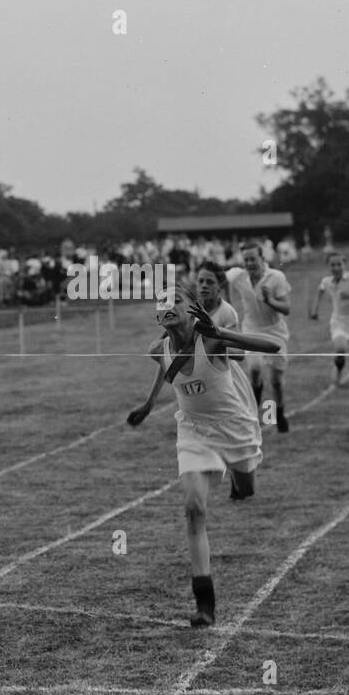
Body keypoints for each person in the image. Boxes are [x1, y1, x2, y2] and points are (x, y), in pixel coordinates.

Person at [126, 286, 283, 627]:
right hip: (194, 431)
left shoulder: (211, 341)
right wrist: (149, 404)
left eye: (176, 300)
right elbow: (165, 369)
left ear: (194, 309)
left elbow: (274, 346)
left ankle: (241, 480)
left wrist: (220, 332)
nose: (168, 305)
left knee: (246, 486)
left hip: (234, 428)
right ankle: (205, 603)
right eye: (163, 302)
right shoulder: (158, 348)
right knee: (194, 508)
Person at [225, 242, 292, 432]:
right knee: (254, 369)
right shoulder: (238, 276)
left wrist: (269, 299)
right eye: (246, 259)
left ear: (262, 258)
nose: (249, 263)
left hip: (275, 332)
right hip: (251, 330)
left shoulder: (276, 277)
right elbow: (222, 278)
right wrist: (228, 304)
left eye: (253, 259)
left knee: (276, 381)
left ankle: (278, 413)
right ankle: (254, 415)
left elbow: (287, 309)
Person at [309, 252, 349, 408]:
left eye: (339, 264)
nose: (336, 268)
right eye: (332, 265)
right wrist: (315, 309)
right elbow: (319, 291)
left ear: (344, 264)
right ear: (328, 266)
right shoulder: (326, 281)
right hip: (338, 320)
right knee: (340, 348)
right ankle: (339, 366)